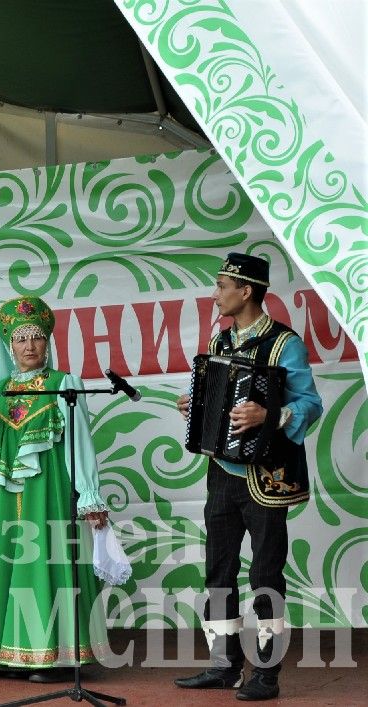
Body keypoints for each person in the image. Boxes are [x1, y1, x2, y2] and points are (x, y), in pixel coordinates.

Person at [173, 253, 322, 701]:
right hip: (222, 471)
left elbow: (311, 404)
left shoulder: (284, 343)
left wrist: (269, 414)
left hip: (266, 475)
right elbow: (215, 395)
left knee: (264, 574)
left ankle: (267, 674)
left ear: (246, 291)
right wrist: (194, 405)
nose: (215, 294)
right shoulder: (220, 343)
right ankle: (223, 664)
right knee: (218, 570)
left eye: (221, 286)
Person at [0, 296, 110, 682]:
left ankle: (51, 654)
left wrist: (89, 494)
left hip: (49, 491)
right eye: (21, 339)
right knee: (8, 562)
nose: (29, 347)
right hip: (5, 492)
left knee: (45, 558)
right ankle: (9, 653)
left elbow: (81, 444)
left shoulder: (65, 384)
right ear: (9, 346)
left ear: (48, 343)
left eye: (37, 338)